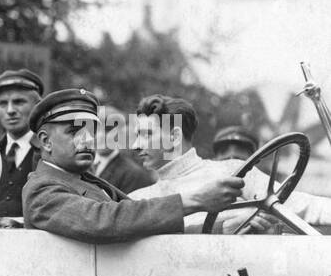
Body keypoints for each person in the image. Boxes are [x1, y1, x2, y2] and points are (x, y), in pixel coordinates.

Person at [22, 89, 240, 243]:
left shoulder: (83, 180)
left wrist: (219, 227)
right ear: (45, 141)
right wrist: (197, 200)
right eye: (74, 132)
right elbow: (105, 221)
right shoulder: (42, 191)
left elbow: (137, 227)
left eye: (91, 131)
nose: (88, 140)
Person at [129, 95, 331, 229]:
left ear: (174, 137)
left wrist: (254, 216)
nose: (136, 145)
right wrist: (231, 223)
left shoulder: (232, 171)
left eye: (146, 134)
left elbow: (300, 205)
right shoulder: (138, 200)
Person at [0, 69, 44, 218]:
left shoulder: (50, 152)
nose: (10, 110)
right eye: (3, 104)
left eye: (19, 102)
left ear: (37, 106)